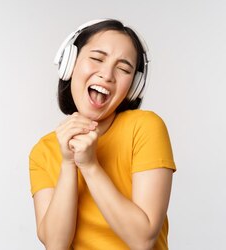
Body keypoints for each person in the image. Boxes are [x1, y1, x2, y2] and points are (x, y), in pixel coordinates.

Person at [29, 19, 176, 250]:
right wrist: (69, 163)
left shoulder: (146, 127)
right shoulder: (43, 151)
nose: (107, 74)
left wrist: (89, 166)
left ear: (134, 86)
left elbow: (143, 239)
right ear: (70, 64)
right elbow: (55, 245)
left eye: (124, 68)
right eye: (97, 58)